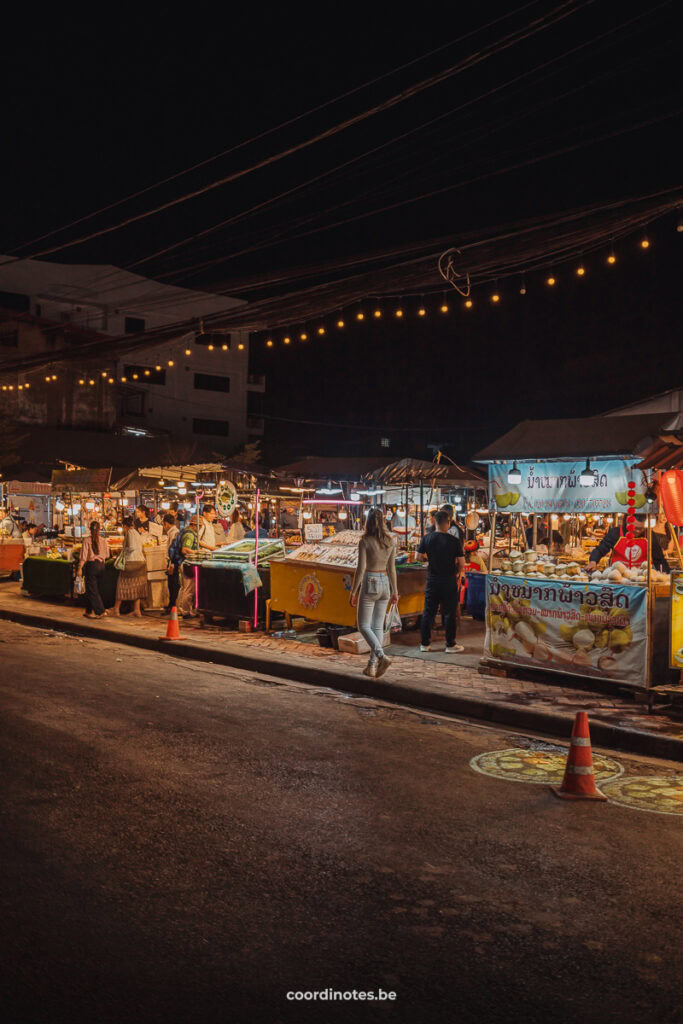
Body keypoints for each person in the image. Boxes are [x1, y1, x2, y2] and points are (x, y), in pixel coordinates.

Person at [350, 507, 398, 679]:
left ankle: (381, 656)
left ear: (367, 521)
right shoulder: (390, 540)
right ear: (383, 521)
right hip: (385, 582)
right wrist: (395, 591)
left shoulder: (365, 541)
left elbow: (361, 568)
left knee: (363, 625)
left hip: (370, 581)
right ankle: (371, 666)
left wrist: (353, 591)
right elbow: (392, 569)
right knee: (377, 626)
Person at [418, 508, 466, 654]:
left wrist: (429, 559)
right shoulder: (454, 540)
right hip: (449, 580)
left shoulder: (426, 538)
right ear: (448, 522)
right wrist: (457, 573)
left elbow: (418, 557)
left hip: (432, 580)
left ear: (435, 522)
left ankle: (424, 644)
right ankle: (450, 645)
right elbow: (462, 563)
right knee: (450, 613)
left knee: (428, 612)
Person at [587, 514, 669, 572]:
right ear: (628, 521)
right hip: (618, 576)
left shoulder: (649, 534)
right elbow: (601, 549)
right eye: (635, 528)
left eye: (641, 528)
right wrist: (593, 561)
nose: (638, 531)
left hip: (641, 577)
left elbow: (659, 558)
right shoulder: (615, 533)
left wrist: (666, 575)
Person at [112, 516, 147, 617]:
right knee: (137, 585)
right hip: (141, 562)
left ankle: (116, 610)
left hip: (131, 562)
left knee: (122, 584)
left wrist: (122, 552)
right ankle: (137, 610)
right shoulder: (137, 533)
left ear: (124, 526)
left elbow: (131, 547)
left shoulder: (129, 533)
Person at [77, 520, 110, 618]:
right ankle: (88, 611)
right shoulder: (104, 540)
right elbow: (107, 555)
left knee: (92, 590)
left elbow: (83, 556)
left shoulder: (87, 540)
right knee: (93, 589)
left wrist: (80, 568)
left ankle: (100, 612)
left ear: (89, 529)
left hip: (91, 566)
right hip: (101, 566)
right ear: (100, 529)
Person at [177, 516, 199, 618]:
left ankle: (180, 609)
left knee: (184, 587)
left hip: (183, 563)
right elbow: (185, 549)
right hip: (188, 564)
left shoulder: (185, 531)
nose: (200, 528)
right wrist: (198, 552)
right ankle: (186, 611)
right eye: (199, 526)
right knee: (189, 589)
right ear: (194, 525)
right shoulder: (190, 535)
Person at [162, 513, 180, 612]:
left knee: (173, 584)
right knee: (171, 584)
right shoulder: (173, 532)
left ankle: (172, 606)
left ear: (166, 523)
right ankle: (171, 605)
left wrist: (171, 565)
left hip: (173, 562)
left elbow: (174, 550)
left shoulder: (174, 533)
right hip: (172, 561)